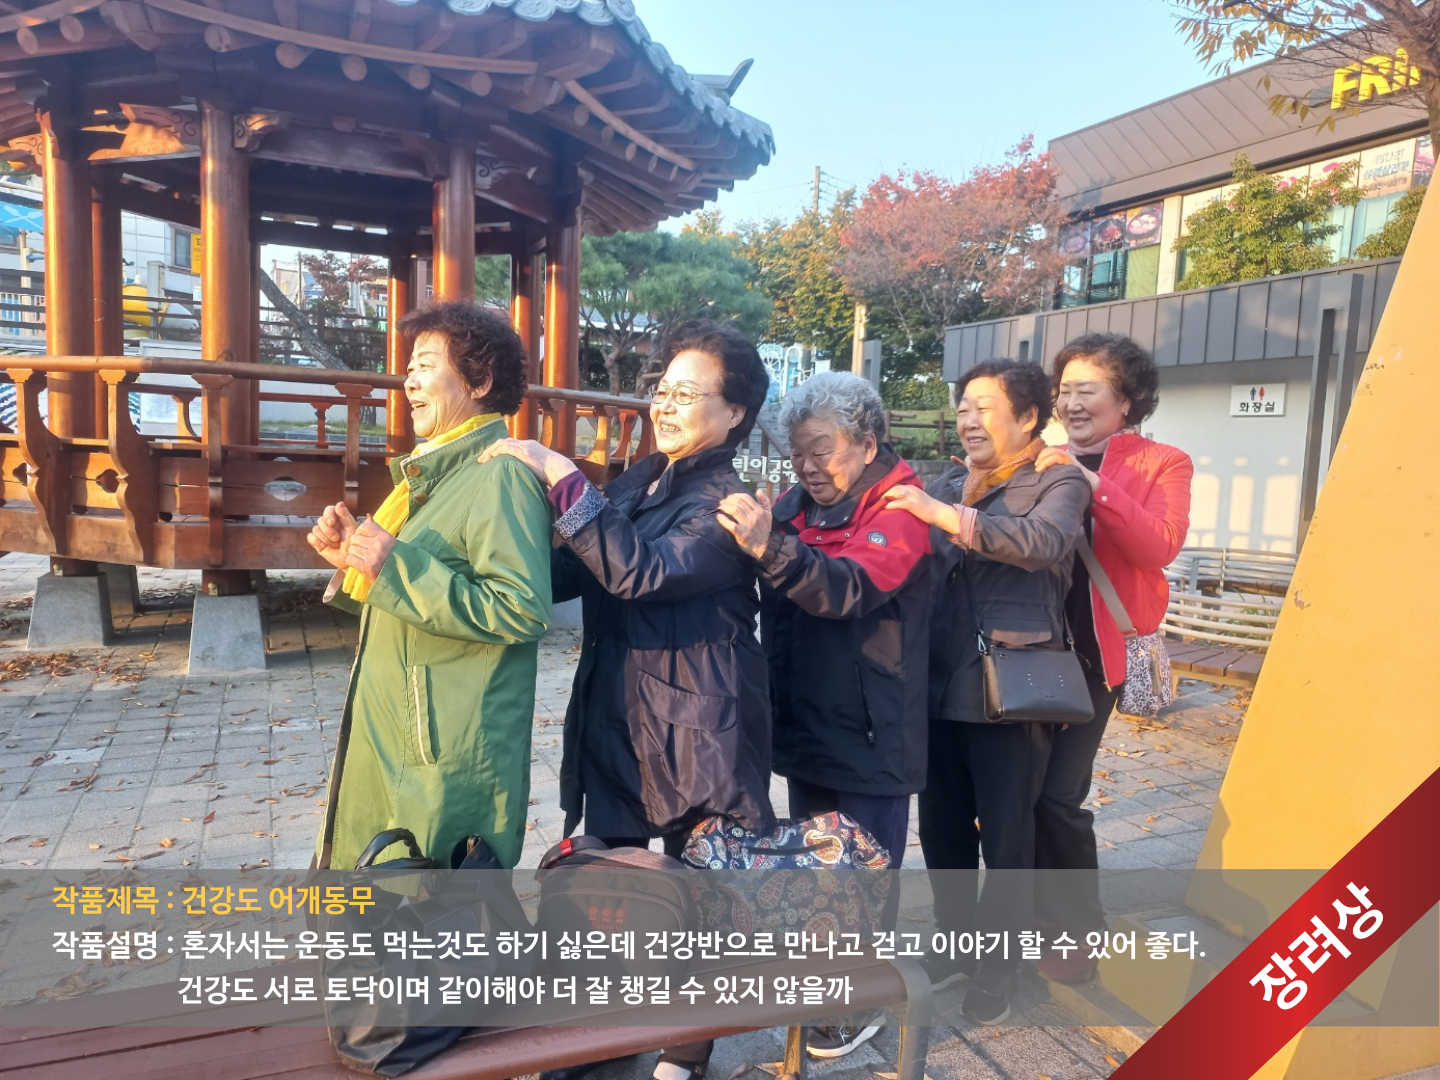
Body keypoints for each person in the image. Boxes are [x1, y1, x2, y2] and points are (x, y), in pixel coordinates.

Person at [479, 318, 775, 1080]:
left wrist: (560, 471)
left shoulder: (728, 505)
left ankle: (685, 1052)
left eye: (687, 393)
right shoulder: (642, 480)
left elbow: (640, 571)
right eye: (662, 390)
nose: (665, 406)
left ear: (735, 412)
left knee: (701, 892)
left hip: (702, 724)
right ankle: (598, 1039)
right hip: (618, 713)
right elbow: (573, 569)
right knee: (608, 886)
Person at [715, 371, 933, 1059]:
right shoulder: (795, 507)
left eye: (823, 450)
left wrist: (769, 548)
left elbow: (849, 589)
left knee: (864, 872)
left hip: (874, 730)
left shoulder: (901, 508)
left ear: (867, 444)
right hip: (805, 723)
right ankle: (820, 987)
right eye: (798, 453)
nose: (808, 466)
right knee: (814, 870)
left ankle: (861, 1001)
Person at [307, 302, 552, 871]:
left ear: (480, 381)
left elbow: (521, 608)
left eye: (425, 365)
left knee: (432, 904)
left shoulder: (500, 475)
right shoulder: (435, 476)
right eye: (409, 367)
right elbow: (420, 601)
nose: (409, 381)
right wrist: (359, 566)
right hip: (399, 727)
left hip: (444, 747)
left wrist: (395, 566)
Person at [881, 359, 1089, 1026]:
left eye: (984, 407)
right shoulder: (947, 481)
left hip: (1013, 685)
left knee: (1006, 835)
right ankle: (955, 940)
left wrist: (946, 517)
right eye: (963, 407)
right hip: (939, 682)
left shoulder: (1058, 480)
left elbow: (1044, 542)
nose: (968, 419)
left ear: (1027, 417)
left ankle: (999, 963)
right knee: (941, 827)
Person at [1030, 333, 1193, 982]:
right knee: (1020, 797)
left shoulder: (1163, 462)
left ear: (1126, 400)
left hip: (1096, 659)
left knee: (1058, 797)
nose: (1070, 402)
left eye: (1086, 390)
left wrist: (1091, 484)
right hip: (1029, 651)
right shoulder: (1038, 458)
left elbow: (1159, 546)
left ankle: (1076, 932)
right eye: (1063, 390)